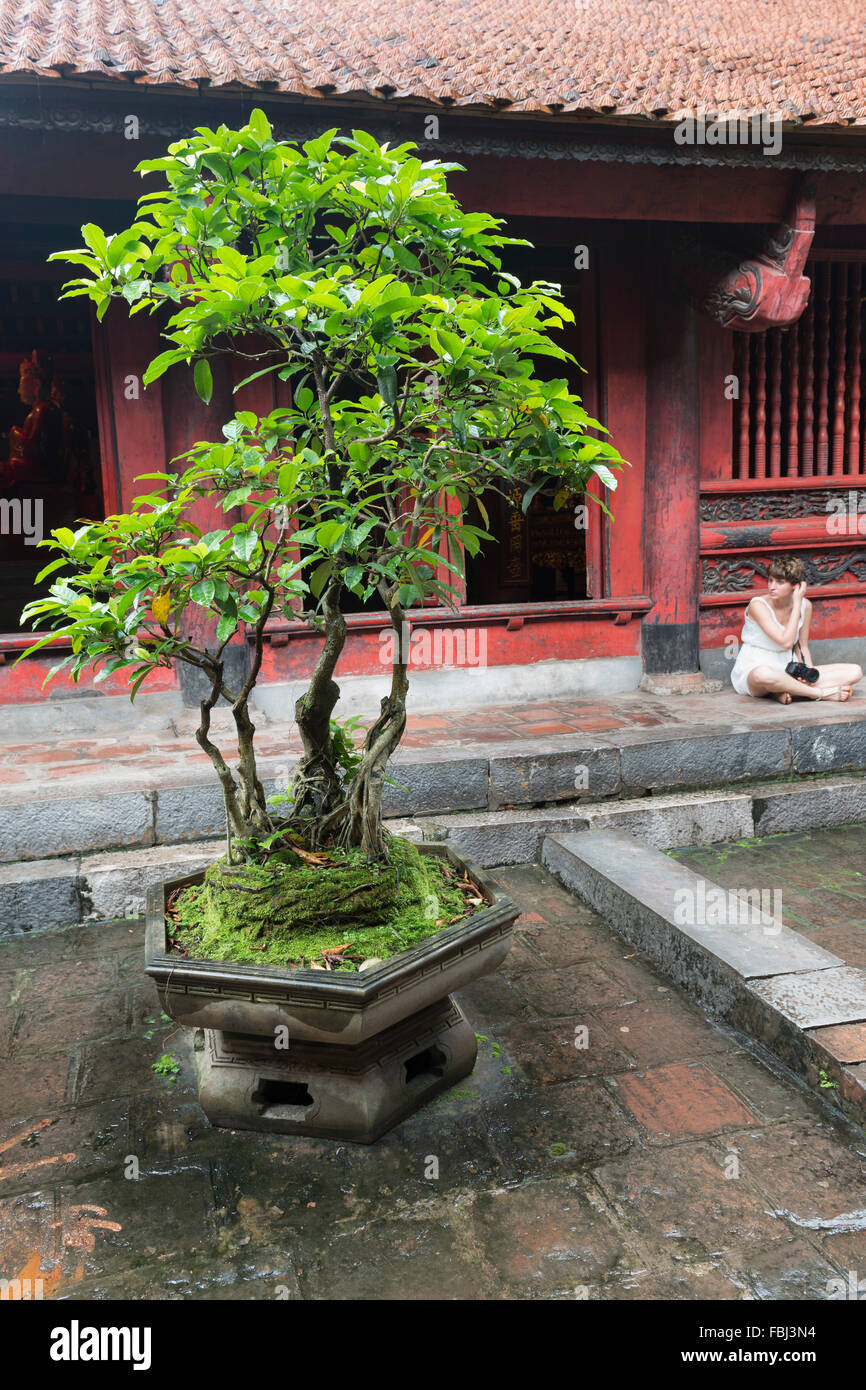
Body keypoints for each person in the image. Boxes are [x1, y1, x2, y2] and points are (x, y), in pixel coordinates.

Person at [730, 556, 863, 704]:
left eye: (780, 582)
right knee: (764, 675)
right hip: (755, 667)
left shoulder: (805, 606)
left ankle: (785, 691)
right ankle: (819, 693)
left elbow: (803, 646)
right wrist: (797, 602)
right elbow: (786, 642)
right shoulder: (758, 605)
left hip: (789, 667)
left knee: (855, 671)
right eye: (770, 580)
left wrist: (809, 674)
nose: (772, 586)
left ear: (796, 586)